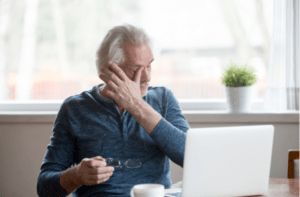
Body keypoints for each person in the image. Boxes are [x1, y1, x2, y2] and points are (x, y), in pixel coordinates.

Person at [37, 24, 189, 197]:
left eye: (149, 66)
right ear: (109, 72)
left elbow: (192, 157)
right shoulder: (74, 108)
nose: (147, 77)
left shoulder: (163, 99)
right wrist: (77, 175)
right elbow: (44, 188)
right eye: (135, 69)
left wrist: (136, 105)